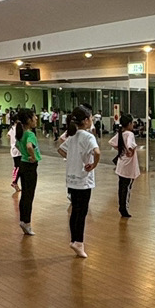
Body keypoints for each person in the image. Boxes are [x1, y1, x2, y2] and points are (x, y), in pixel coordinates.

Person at [58, 105, 100, 257]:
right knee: (82, 212)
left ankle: (74, 240)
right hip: (83, 179)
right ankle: (79, 242)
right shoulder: (88, 136)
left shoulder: (73, 136)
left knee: (75, 210)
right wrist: (93, 165)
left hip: (71, 178)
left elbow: (60, 149)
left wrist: (71, 158)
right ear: (86, 120)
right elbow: (97, 152)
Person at [14, 108, 40, 235]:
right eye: (34, 117)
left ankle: (23, 220)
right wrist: (33, 156)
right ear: (29, 120)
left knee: (24, 195)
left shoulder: (21, 133)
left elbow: (17, 146)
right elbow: (29, 146)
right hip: (30, 167)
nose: (36, 119)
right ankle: (27, 222)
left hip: (22, 165)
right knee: (29, 196)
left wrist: (25, 154)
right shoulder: (30, 134)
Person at [112, 112, 139, 218]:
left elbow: (112, 142)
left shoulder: (121, 133)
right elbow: (129, 145)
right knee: (126, 187)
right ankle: (124, 208)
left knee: (121, 186)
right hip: (128, 166)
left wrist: (121, 150)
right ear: (128, 124)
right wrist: (129, 151)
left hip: (121, 163)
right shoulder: (129, 134)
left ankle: (121, 206)